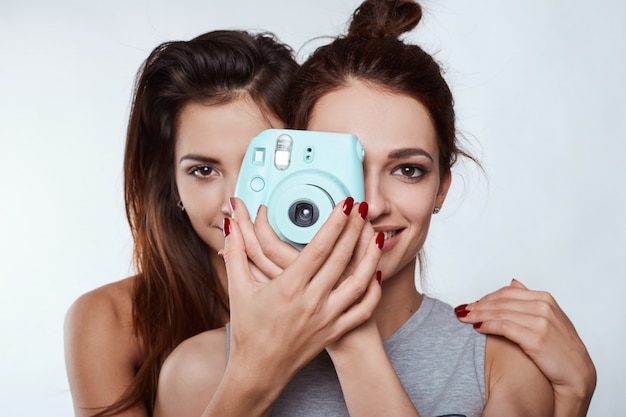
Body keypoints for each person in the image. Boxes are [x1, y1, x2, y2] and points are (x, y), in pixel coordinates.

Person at [153, 1, 594, 416]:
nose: (375, 204)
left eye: (408, 170)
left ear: (442, 187)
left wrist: (351, 338)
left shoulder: (502, 363)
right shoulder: (200, 371)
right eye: (347, 167)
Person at [63, 29, 303, 417]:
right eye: (204, 170)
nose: (233, 201)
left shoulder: (357, 308)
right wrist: (253, 375)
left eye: (257, 165)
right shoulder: (107, 320)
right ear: (172, 182)